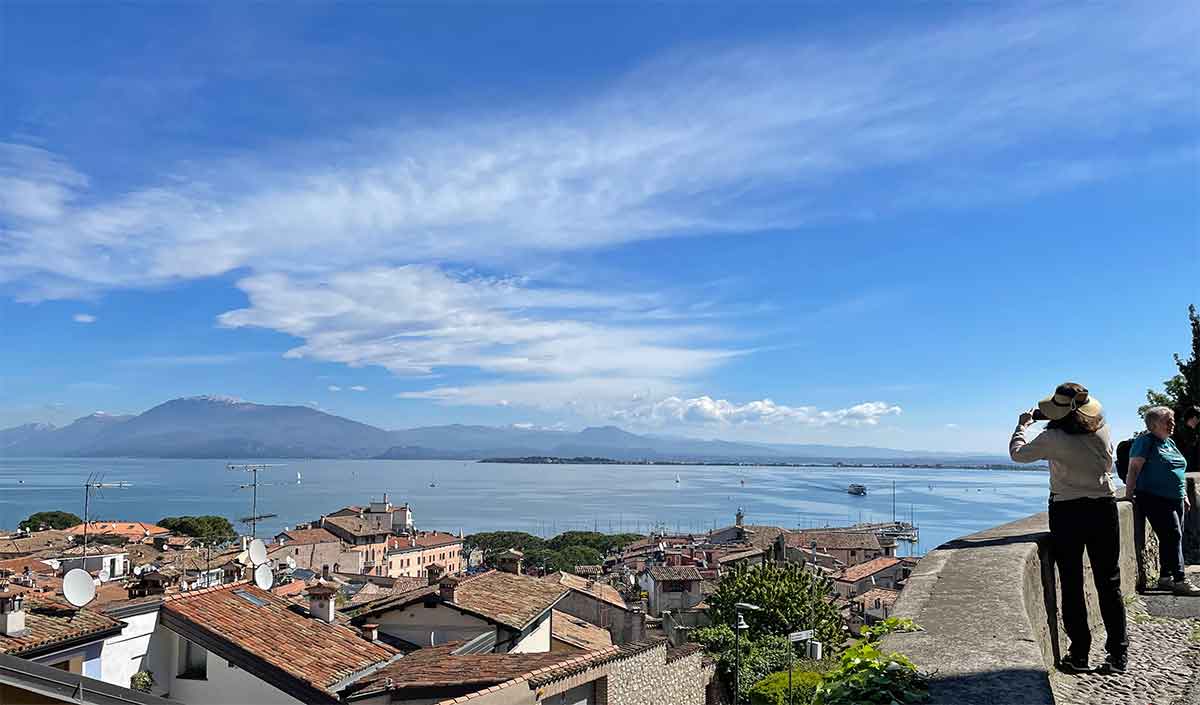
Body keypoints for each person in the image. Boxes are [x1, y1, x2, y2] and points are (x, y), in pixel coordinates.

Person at [1010, 382, 1127, 674]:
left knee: (1072, 582)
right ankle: (1118, 654)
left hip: (1067, 510)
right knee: (1109, 581)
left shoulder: (1052, 438)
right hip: (1104, 507)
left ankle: (1079, 654)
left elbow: (1018, 454)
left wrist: (1022, 426)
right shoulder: (1102, 429)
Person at [1125, 406, 1200, 596]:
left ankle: (1165, 577)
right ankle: (1180, 579)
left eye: (1172, 420)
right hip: (1153, 497)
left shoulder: (1169, 442)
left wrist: (1184, 495)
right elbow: (1134, 468)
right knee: (1173, 535)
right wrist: (1128, 494)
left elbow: (1177, 470)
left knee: (1173, 537)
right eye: (1168, 421)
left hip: (1175, 497)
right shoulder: (1145, 441)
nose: (1172, 423)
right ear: (1154, 424)